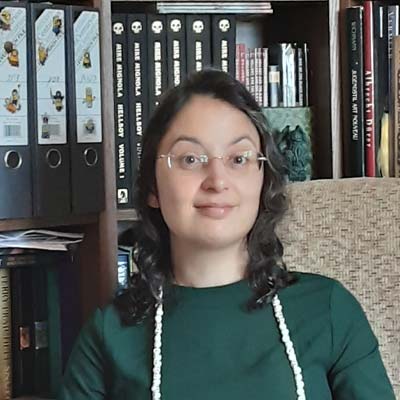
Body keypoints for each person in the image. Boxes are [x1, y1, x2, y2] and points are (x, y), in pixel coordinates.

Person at [58, 69, 395, 400]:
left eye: (239, 158)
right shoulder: (110, 334)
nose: (217, 180)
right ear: (152, 188)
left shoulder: (329, 310)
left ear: (264, 180)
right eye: (190, 158)